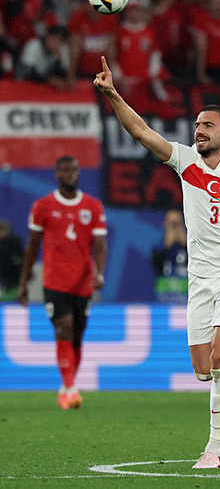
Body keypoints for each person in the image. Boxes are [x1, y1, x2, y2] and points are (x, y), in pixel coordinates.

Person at [94, 56, 220, 469]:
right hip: (200, 278)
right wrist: (113, 94)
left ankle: (214, 450)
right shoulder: (186, 162)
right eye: (197, 125)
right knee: (204, 369)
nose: (198, 130)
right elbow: (141, 131)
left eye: (207, 125)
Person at [17, 156, 108, 410]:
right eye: (66, 170)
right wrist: (24, 282)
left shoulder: (93, 206)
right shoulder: (43, 206)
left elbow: (100, 245)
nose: (71, 174)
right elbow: (32, 246)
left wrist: (100, 273)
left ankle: (67, 387)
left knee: (77, 336)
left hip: (83, 284)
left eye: (75, 170)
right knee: (64, 329)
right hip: (55, 282)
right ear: (57, 174)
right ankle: (70, 388)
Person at [151, 209, 189, 303]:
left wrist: (186, 246)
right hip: (164, 298)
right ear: (165, 224)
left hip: (187, 297)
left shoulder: (192, 248)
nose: (175, 228)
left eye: (177, 224)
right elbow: (156, 268)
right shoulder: (158, 247)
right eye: (172, 224)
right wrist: (166, 246)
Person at [0, 220, 24, 301]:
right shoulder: (16, 243)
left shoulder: (7, 244)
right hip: (11, 279)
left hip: (10, 279)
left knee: (10, 297)